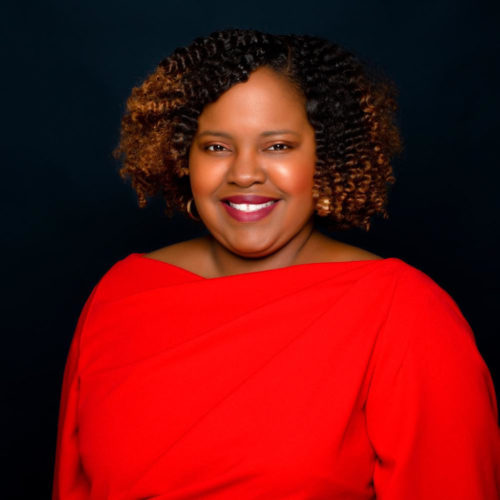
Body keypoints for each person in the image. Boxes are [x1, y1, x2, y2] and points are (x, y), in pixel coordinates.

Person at [52, 28, 500, 499]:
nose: (245, 172)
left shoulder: (404, 312)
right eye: (217, 147)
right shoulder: (122, 293)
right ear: (183, 155)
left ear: (326, 157)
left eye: (278, 146)